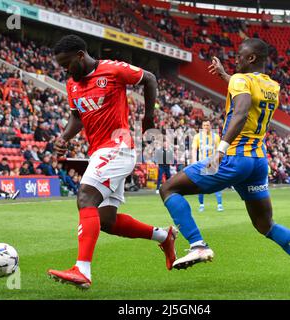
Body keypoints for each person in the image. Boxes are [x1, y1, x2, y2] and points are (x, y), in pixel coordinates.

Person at [159, 38, 290, 294]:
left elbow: (240, 111)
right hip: (258, 162)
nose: (236, 59)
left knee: (169, 188)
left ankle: (198, 245)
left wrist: (220, 149)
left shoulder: (241, 79)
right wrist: (224, 75)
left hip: (234, 158)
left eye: (240, 55)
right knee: (266, 225)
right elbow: (247, 93)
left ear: (251, 58)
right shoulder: (272, 85)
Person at [47, 35, 177, 289]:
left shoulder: (113, 70)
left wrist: (148, 119)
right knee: (106, 221)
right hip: (98, 151)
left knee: (85, 197)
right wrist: (63, 137)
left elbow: (149, 78)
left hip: (119, 146)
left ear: (80, 56)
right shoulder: (73, 85)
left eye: (66, 64)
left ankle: (82, 270)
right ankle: (164, 235)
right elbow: (77, 117)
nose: (64, 70)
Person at [192, 119, 223, 212]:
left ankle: (219, 204)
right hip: (201, 163)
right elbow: (194, 149)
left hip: (213, 163)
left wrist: (219, 161)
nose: (206, 127)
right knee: (200, 185)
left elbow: (219, 150)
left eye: (208, 125)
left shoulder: (216, 137)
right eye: (204, 125)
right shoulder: (197, 136)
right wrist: (194, 161)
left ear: (210, 126)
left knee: (216, 183)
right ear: (202, 126)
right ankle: (201, 205)